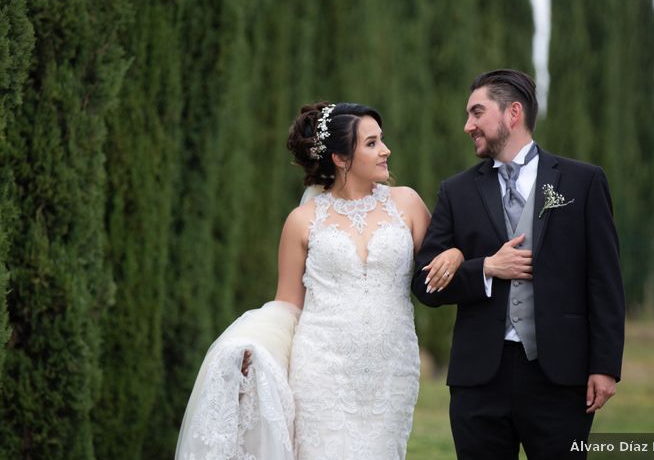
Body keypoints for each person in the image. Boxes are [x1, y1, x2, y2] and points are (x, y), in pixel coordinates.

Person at [177, 102, 449, 460]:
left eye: (381, 140)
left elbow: (436, 264)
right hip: (322, 370)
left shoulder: (408, 204)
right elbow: (287, 305)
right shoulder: (301, 221)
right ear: (340, 157)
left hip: (391, 372)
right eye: (371, 143)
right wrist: (254, 347)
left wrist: (456, 255)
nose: (386, 150)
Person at [412, 69, 625, 460]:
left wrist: (606, 366)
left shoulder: (583, 182)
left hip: (560, 376)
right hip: (479, 381)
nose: (467, 126)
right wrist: (486, 269)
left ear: (513, 113)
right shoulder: (456, 192)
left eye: (477, 113)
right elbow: (424, 284)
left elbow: (605, 281)